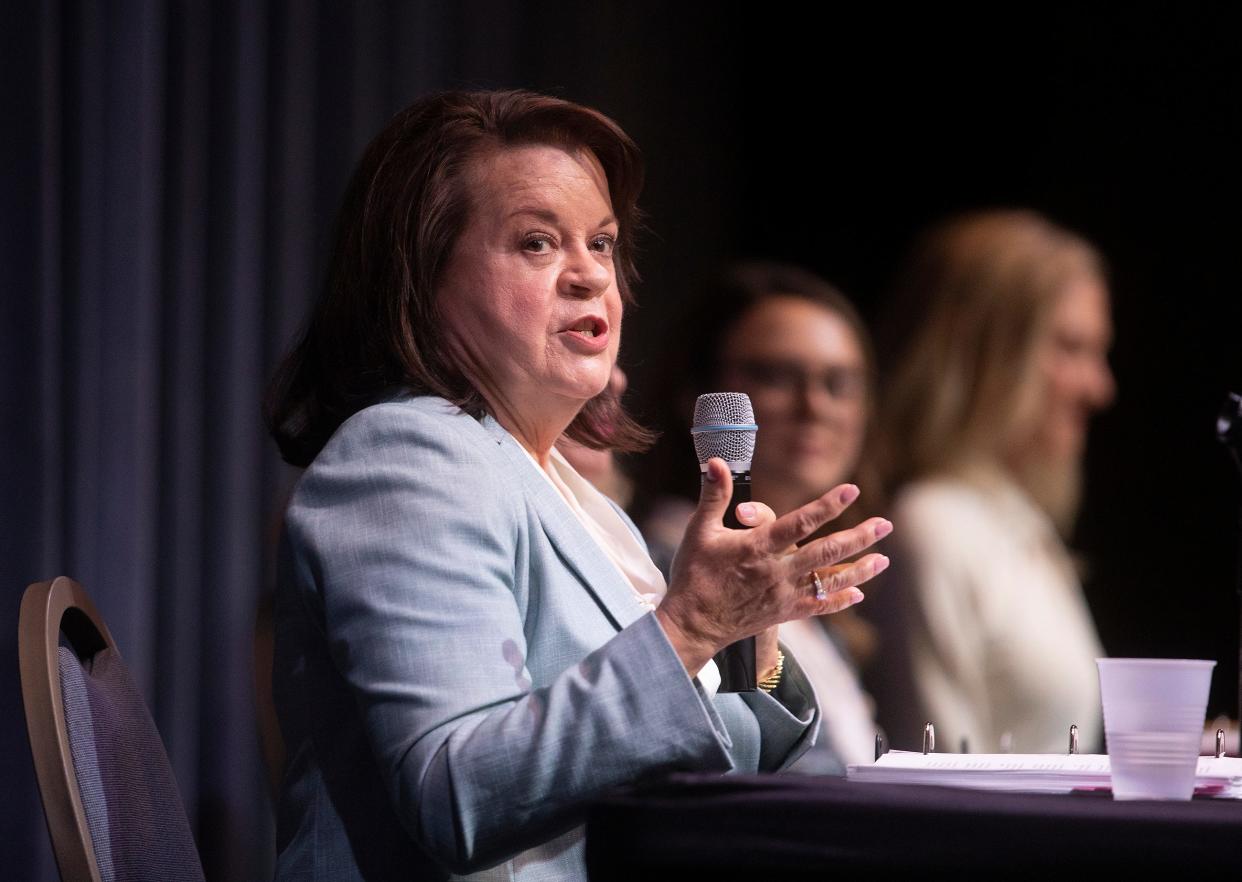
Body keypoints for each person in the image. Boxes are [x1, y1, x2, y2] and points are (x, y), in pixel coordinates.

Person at [264, 90, 892, 882]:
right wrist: (690, 626)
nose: (591, 275)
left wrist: (755, 651)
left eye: (601, 242)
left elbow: (655, 761)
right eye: (536, 243)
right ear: (421, 277)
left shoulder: (560, 485)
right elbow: (456, 791)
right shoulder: (406, 458)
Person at [864, 209, 1115, 755]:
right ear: (981, 355)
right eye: (1071, 348)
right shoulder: (934, 526)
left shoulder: (1015, 520)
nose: (1099, 387)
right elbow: (945, 779)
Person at [636, 262, 883, 771]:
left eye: (840, 383)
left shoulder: (816, 582)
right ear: (700, 397)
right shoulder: (661, 564)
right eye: (776, 376)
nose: (814, 405)